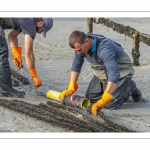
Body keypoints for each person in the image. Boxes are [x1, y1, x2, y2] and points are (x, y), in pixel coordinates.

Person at [59, 30, 142, 115]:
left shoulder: (104, 49)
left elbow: (114, 73)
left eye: (79, 49)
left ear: (86, 41)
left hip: (121, 72)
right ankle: (111, 87)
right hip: (102, 71)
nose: (78, 53)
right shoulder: (81, 45)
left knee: (110, 104)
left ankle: (129, 87)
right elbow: (77, 63)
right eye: (76, 50)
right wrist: (71, 86)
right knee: (90, 98)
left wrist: (104, 99)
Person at [0, 18, 53, 98]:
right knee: (2, 52)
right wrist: (34, 76)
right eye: (42, 30)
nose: (39, 32)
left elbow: (12, 36)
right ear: (40, 23)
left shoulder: (27, 19)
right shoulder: (31, 25)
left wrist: (17, 55)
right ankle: (6, 90)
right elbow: (29, 54)